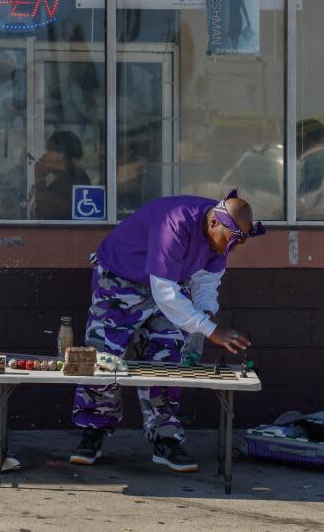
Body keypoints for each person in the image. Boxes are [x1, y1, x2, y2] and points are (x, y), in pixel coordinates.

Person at [69, 189, 264, 472]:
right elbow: (166, 294)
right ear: (213, 224)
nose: (227, 249)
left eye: (237, 243)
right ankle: (93, 429)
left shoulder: (222, 235)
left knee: (168, 357)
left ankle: (166, 438)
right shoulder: (174, 222)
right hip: (120, 276)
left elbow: (207, 282)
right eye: (228, 241)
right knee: (101, 353)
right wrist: (210, 330)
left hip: (169, 283)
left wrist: (205, 315)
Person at [32, 131, 90, 220]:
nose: (46, 155)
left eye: (49, 151)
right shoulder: (54, 174)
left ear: (62, 155)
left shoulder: (74, 177)